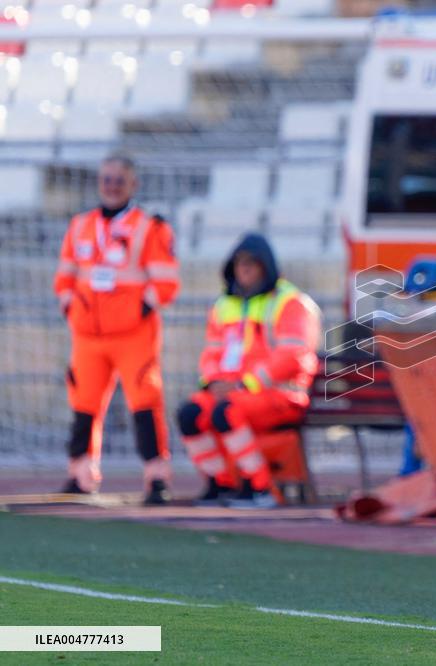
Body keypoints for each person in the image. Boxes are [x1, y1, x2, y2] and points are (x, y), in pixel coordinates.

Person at [52, 154, 180, 505]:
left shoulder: (150, 227)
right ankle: (80, 474)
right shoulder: (80, 225)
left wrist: (137, 310)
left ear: (132, 184)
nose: (111, 186)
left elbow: (166, 282)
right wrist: (71, 307)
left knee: (145, 403)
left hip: (133, 335)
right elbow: (64, 276)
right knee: (83, 404)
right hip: (87, 336)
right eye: (106, 179)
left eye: (119, 180)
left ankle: (156, 478)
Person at [176, 233, 321, 509]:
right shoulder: (224, 305)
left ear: (266, 266)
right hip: (235, 392)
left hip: (280, 395)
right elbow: (212, 354)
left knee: (227, 411)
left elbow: (293, 356)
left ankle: (259, 487)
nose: (244, 269)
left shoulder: (290, 302)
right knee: (191, 414)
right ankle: (221, 483)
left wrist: (245, 384)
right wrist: (213, 383)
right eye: (239, 263)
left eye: (251, 263)